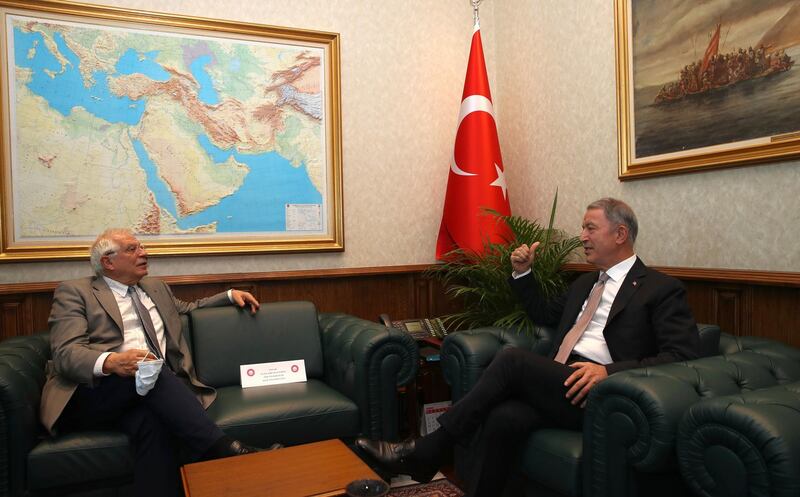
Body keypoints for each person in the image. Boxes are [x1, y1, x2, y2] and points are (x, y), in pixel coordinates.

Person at [357, 198, 699, 497]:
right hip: (561, 383)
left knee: (512, 361)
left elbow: (682, 356)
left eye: (590, 228)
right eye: (583, 228)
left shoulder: (660, 289)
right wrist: (523, 273)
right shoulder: (585, 283)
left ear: (620, 234)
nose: (582, 237)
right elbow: (545, 313)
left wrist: (607, 372)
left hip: (606, 394)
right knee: (505, 419)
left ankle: (427, 449)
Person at [41, 228, 273, 497]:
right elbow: (66, 353)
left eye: (141, 247)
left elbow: (188, 310)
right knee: (153, 369)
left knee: (151, 422)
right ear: (108, 262)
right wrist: (111, 361)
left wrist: (229, 295)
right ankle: (223, 448)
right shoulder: (75, 292)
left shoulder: (155, 287)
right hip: (94, 393)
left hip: (145, 394)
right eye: (132, 249)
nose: (144, 253)